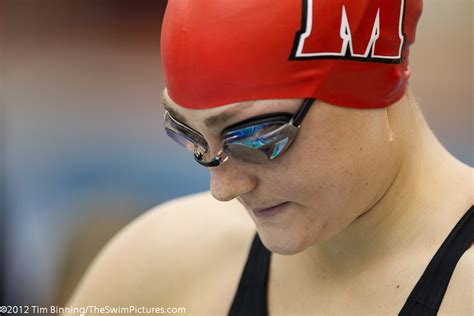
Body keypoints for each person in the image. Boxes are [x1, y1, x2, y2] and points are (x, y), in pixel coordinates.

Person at [65, 0, 473, 315]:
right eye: (190, 136)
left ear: (373, 82)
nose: (222, 189)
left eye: (258, 138)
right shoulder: (156, 269)